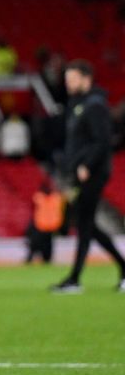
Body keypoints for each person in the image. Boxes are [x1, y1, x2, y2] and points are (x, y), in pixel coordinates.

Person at [50, 60, 125, 293]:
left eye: (72, 79)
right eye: (67, 80)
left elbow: (102, 141)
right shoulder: (77, 105)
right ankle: (80, 277)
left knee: (85, 223)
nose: (68, 84)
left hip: (93, 172)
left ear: (86, 78)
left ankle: (75, 279)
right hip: (81, 172)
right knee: (86, 225)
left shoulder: (95, 106)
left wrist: (86, 165)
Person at [26, 182, 62, 264]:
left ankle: (37, 258)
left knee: (37, 246)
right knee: (43, 246)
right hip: (46, 227)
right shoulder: (55, 198)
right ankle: (41, 258)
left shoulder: (41, 198)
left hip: (43, 227)